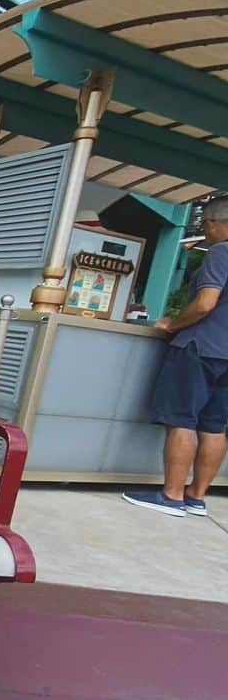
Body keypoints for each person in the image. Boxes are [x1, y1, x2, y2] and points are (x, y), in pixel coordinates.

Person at [123, 195, 228, 516]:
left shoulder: (221, 251)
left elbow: (205, 303)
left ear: (212, 222)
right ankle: (195, 496)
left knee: (181, 421)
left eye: (205, 226)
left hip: (201, 347)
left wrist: (172, 323)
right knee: (215, 426)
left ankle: (171, 496)